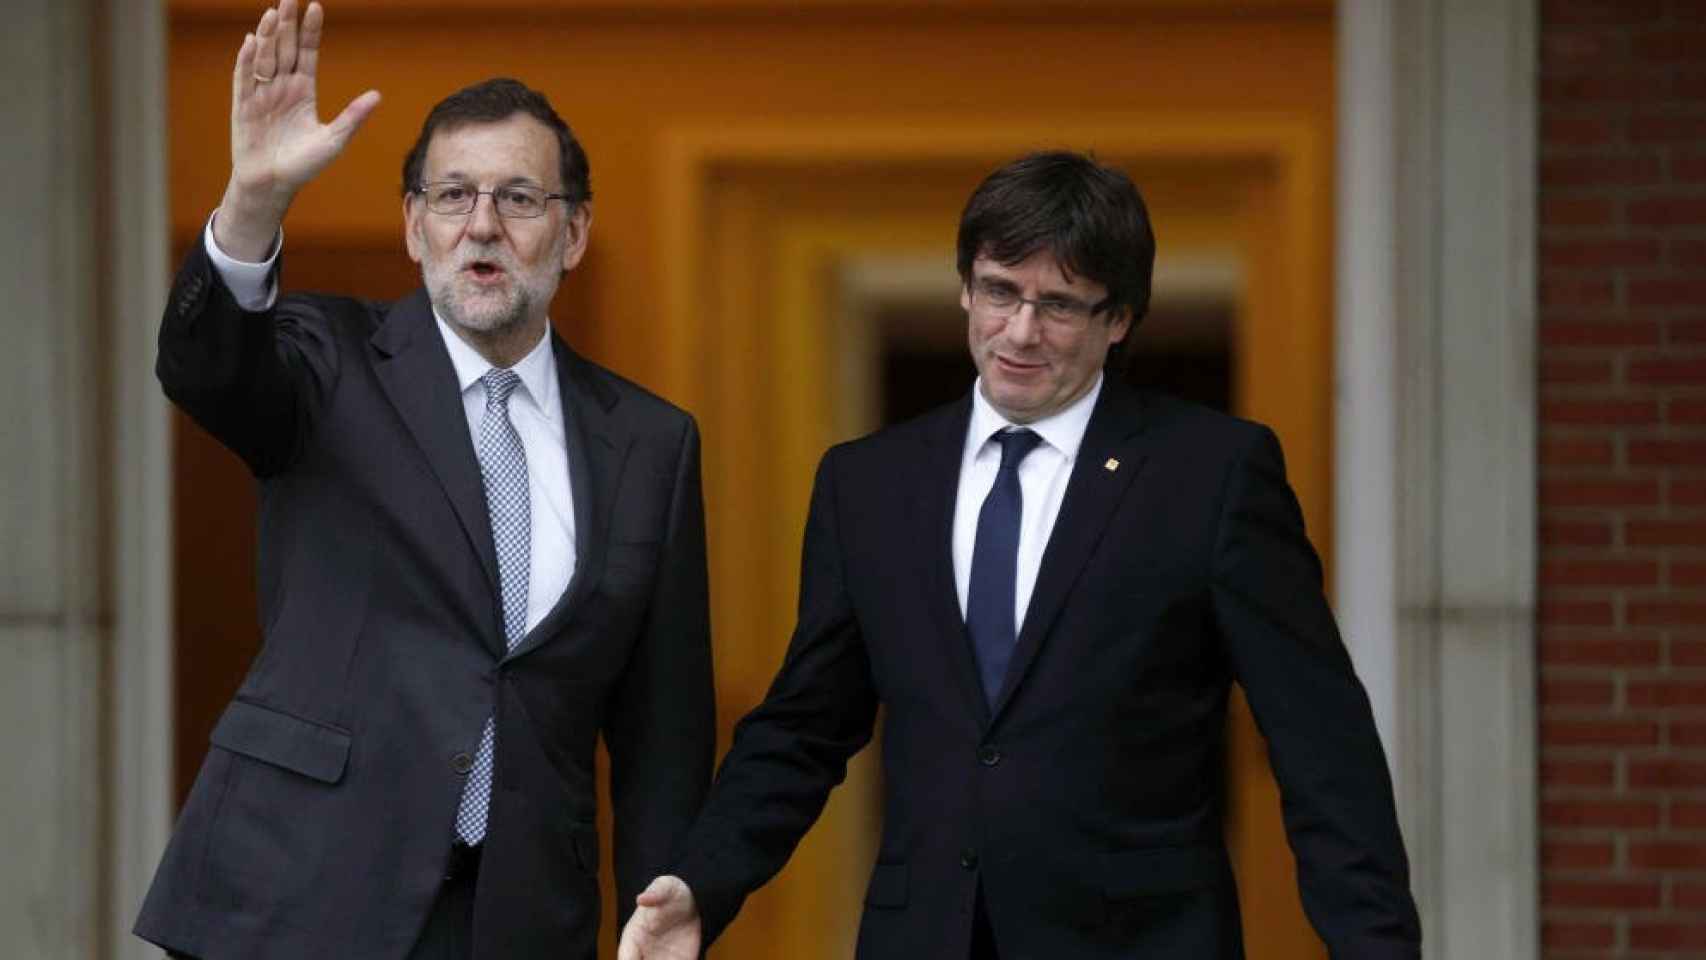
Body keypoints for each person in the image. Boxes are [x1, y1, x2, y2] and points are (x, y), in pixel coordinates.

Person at [618, 151, 1421, 959]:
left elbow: (1322, 744)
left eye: (1061, 305)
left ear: (1120, 320)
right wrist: (702, 883)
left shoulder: (1211, 476)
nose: (1020, 332)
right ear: (967, 284)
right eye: (1000, 291)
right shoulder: (869, 483)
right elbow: (803, 730)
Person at [134, 3, 714, 958]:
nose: (482, 224)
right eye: (453, 196)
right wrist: (253, 201)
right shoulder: (328, 361)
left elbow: (664, 735)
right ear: (414, 227)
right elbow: (204, 369)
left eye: (520, 199)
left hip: (517, 915)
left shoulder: (652, 442)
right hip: (301, 893)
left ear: (571, 235)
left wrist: (665, 912)